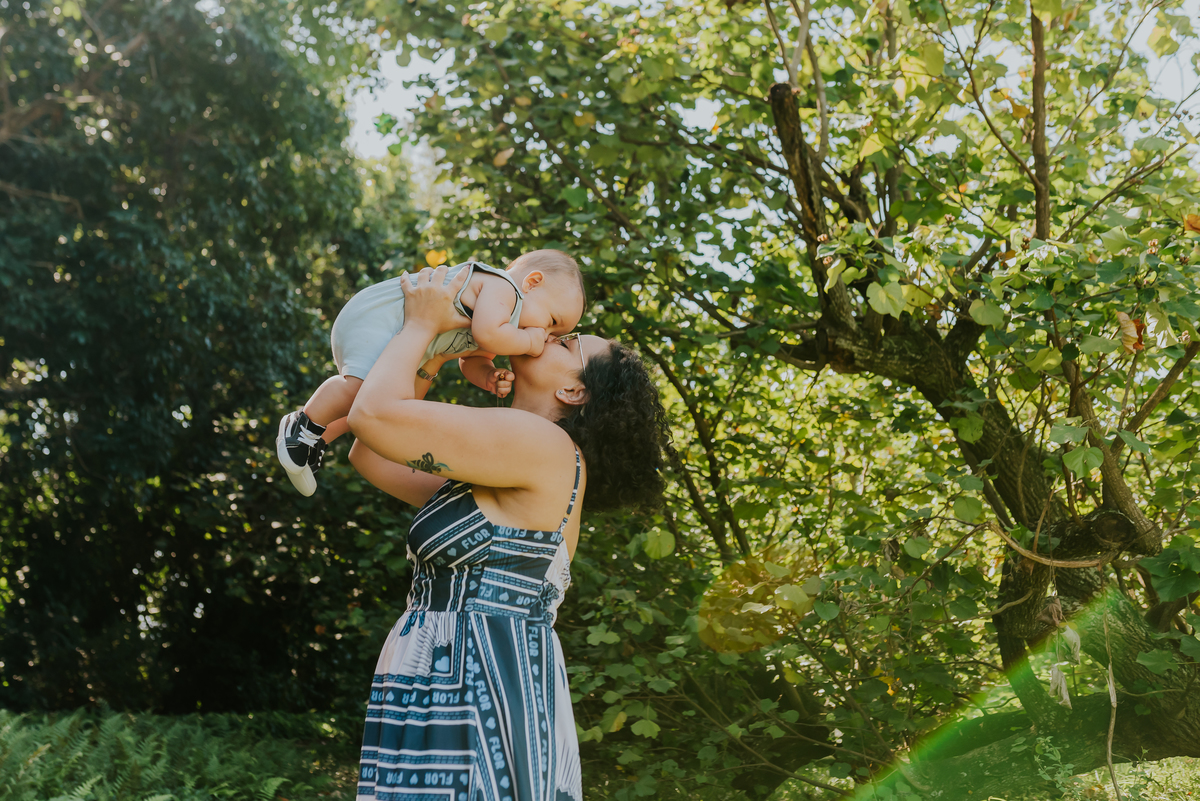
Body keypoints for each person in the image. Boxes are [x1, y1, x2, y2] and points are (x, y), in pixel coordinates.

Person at [345, 264, 671, 801]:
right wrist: (433, 358)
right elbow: (371, 454)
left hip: (480, 688)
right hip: (444, 678)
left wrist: (421, 327)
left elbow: (371, 418)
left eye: (566, 344)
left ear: (573, 391)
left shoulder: (541, 446)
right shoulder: (504, 455)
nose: (546, 332)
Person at [276, 250, 586, 496]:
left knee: (372, 399)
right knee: (359, 389)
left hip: (400, 331)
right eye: (552, 322)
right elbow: (488, 334)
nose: (546, 334)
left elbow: (471, 359)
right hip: (382, 319)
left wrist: (488, 374)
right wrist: (529, 340)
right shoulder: (502, 289)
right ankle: (301, 423)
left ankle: (316, 439)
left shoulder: (506, 321)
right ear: (531, 283)